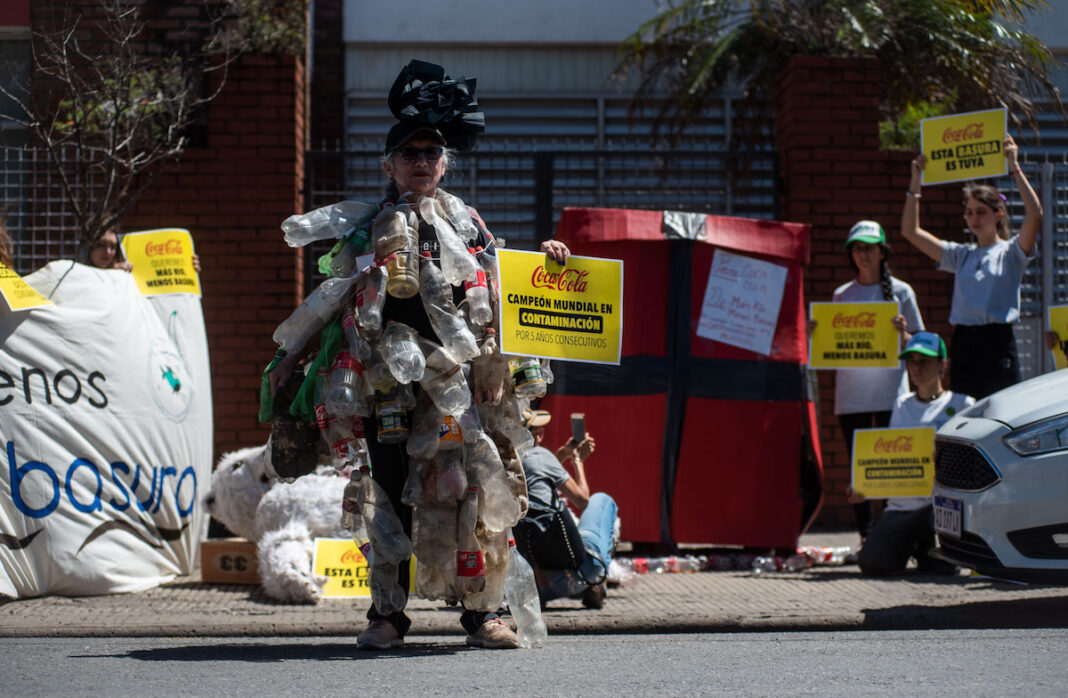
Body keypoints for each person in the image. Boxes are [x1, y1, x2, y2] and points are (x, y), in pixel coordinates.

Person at [269, 60, 569, 651]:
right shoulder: (366, 226)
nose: (422, 162)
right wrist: (291, 357)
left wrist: (550, 258)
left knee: (476, 496)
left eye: (431, 153)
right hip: (386, 384)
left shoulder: (469, 222)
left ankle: (485, 614)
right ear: (388, 165)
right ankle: (386, 616)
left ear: (446, 162)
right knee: (386, 497)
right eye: (409, 154)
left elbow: (503, 284)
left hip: (459, 384)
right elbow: (331, 299)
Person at [901, 135, 1042, 399]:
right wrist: (915, 180)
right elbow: (910, 231)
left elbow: (1035, 215)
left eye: (981, 212)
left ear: (998, 213)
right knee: (968, 414)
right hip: (964, 343)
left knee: (1002, 412)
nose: (974, 219)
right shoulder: (961, 255)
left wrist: (1014, 166)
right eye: (969, 212)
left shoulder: (1011, 251)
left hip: (997, 342)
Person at [814, 220, 924, 545]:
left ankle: (897, 537)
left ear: (882, 252)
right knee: (858, 472)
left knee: (893, 469)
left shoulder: (902, 292)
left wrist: (902, 333)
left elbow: (921, 343)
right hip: (852, 397)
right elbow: (830, 344)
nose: (863, 254)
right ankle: (867, 539)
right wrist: (815, 333)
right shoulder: (840, 296)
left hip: (892, 394)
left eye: (869, 248)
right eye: (857, 248)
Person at [857, 332, 973, 576]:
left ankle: (926, 549)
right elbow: (888, 459)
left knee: (943, 568)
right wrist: (863, 485)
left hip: (940, 506)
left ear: (942, 365)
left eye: (924, 361)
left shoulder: (964, 405)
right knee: (872, 562)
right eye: (912, 362)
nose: (916, 368)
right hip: (902, 506)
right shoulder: (901, 405)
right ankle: (914, 546)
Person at [513, 408, 618, 609]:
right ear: (538, 435)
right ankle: (596, 586)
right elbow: (582, 500)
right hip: (578, 575)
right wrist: (577, 461)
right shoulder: (541, 456)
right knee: (602, 501)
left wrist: (561, 454)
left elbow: (536, 476)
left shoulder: (503, 462)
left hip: (538, 585)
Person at [78, 225, 202, 273]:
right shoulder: (73, 276)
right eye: (101, 245)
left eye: (113, 247)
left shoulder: (125, 272)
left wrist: (187, 269)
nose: (108, 252)